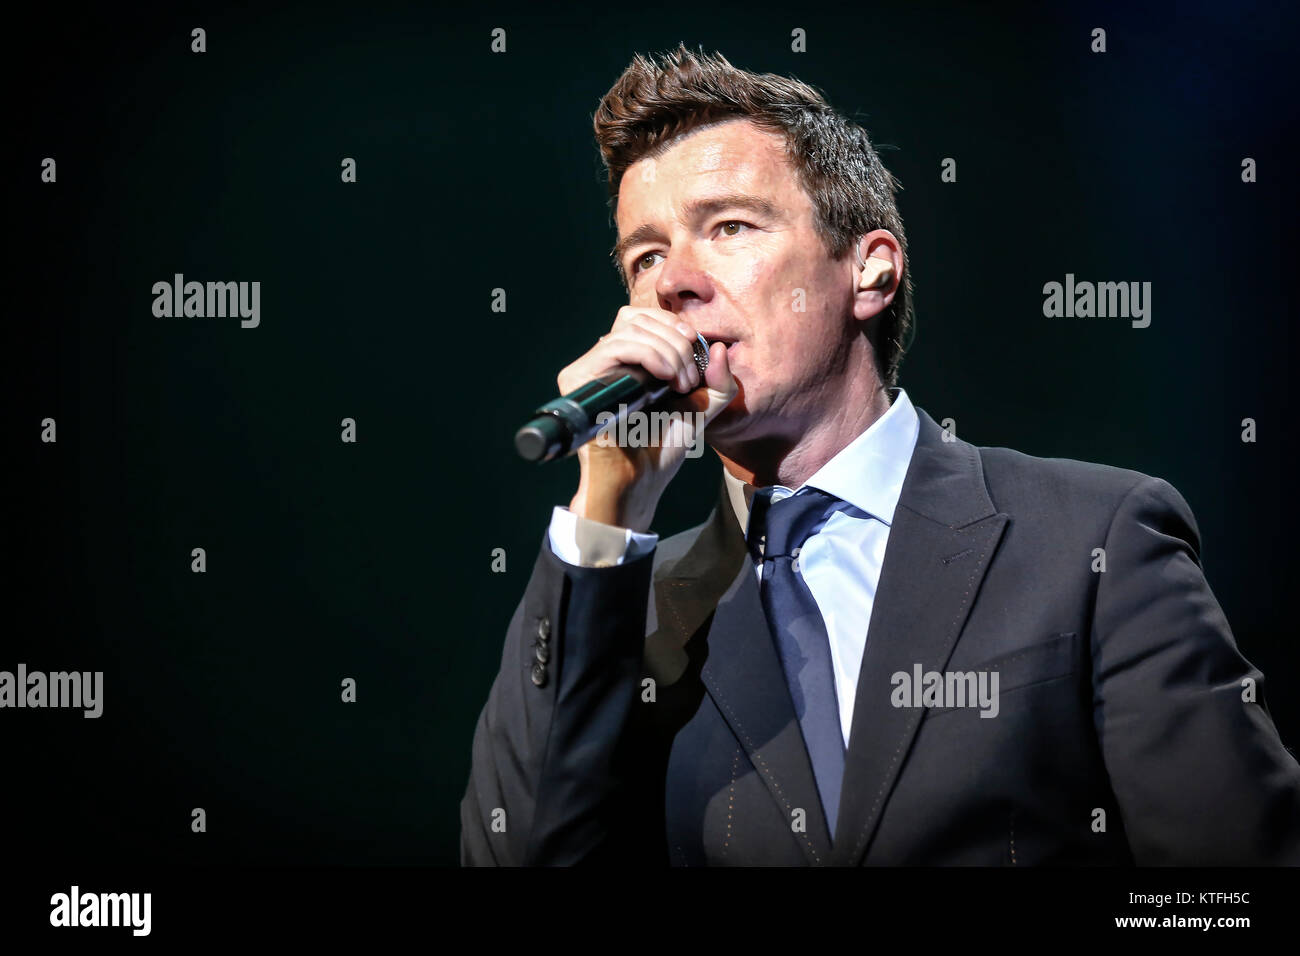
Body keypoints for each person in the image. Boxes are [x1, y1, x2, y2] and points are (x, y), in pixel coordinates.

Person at [460, 43, 1300, 865]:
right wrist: (608, 504)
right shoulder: (626, 613)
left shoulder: (1092, 538)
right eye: (645, 254)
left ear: (870, 273)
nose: (673, 281)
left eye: (730, 227)